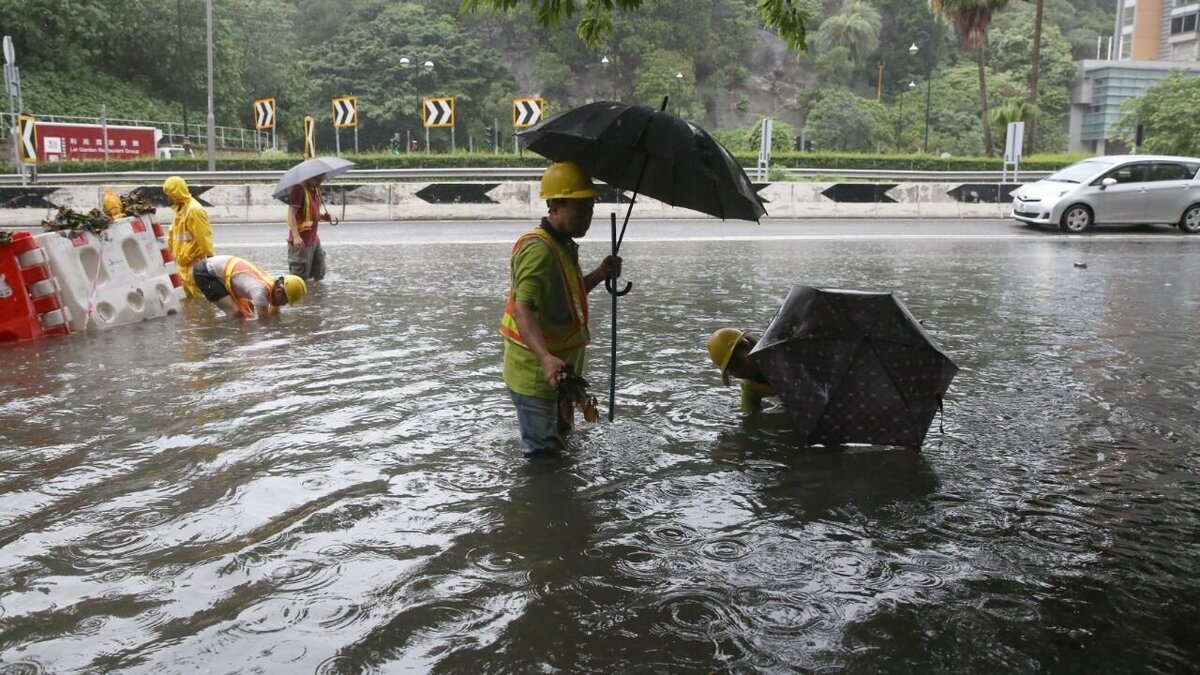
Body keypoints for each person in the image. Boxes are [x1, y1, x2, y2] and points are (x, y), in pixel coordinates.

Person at [500, 161, 621, 458]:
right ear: (554, 205)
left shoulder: (562, 245)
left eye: (591, 208)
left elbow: (569, 294)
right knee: (543, 456)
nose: (587, 217)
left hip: (562, 373)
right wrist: (544, 358)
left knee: (562, 442)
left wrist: (600, 273)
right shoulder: (539, 250)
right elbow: (522, 309)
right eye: (580, 209)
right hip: (537, 375)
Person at [191, 254, 307, 320]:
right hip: (205, 273)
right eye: (285, 301)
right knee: (236, 314)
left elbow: (274, 311)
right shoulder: (260, 291)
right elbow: (264, 323)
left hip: (219, 267)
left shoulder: (272, 284)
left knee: (249, 311)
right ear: (279, 292)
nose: (284, 305)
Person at [164, 176, 215, 298]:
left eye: (169, 193)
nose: (168, 197)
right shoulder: (179, 210)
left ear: (176, 192)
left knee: (199, 298)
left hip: (194, 265)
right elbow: (172, 236)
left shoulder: (194, 210)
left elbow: (204, 237)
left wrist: (211, 261)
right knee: (188, 302)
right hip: (182, 265)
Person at [707, 328, 779, 413]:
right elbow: (749, 417)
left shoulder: (778, 352)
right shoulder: (750, 387)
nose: (738, 372)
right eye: (731, 369)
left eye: (737, 363)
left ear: (748, 346)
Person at [286, 174, 333, 281]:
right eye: (317, 180)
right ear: (308, 177)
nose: (319, 183)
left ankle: (315, 297)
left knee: (319, 273)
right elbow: (291, 214)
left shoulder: (315, 190)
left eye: (321, 180)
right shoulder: (298, 189)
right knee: (300, 278)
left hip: (314, 240)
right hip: (301, 241)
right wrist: (296, 237)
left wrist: (323, 216)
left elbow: (310, 213)